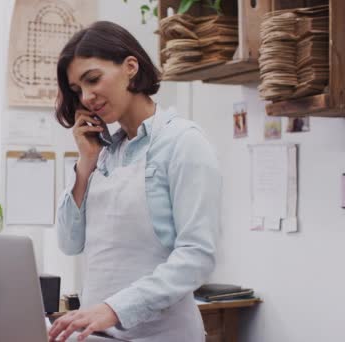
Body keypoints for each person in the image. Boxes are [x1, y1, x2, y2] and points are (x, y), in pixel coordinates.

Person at [49, 21, 221, 342]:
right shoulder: (103, 152)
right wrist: (85, 165)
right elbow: (69, 242)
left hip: (162, 335)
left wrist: (113, 309)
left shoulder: (183, 143)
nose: (87, 97)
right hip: (98, 334)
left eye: (93, 79)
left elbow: (197, 256)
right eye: (77, 90)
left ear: (130, 67)